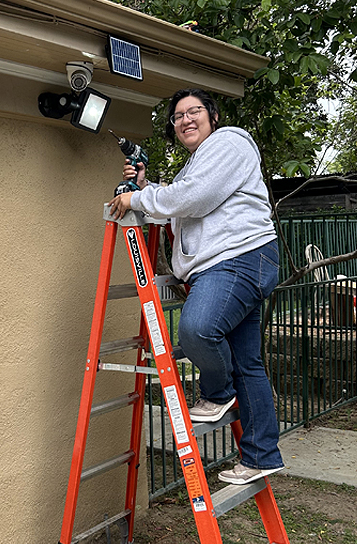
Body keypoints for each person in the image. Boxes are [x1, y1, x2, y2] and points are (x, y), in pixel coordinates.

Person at [108, 88, 284, 485]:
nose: (186, 120)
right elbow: (180, 204)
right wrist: (147, 187)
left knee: (196, 328)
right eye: (178, 116)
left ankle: (218, 394)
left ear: (213, 116)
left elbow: (192, 198)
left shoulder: (229, 142)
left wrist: (140, 196)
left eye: (194, 111)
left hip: (239, 259)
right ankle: (261, 454)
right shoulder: (196, 165)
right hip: (230, 264)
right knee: (248, 364)